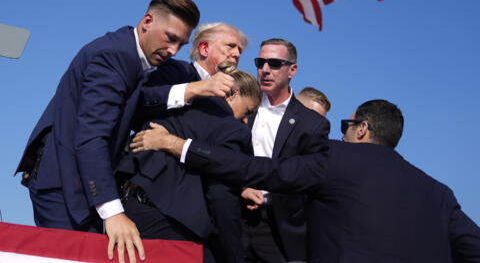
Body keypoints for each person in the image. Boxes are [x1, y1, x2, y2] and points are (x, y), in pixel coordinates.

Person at [138, 99, 480, 262]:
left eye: (348, 124)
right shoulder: (440, 193)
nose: (343, 131)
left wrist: (177, 145)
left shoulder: (333, 160)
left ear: (362, 128)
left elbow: (257, 170)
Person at [14, 0, 211, 263]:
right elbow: (92, 137)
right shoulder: (113, 56)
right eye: (170, 38)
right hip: (63, 185)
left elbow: (138, 99)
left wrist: (190, 90)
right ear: (147, 21)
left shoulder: (130, 55)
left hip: (82, 186)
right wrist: (113, 211)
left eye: (181, 44)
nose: (174, 50)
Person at [119, 61, 261, 263]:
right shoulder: (234, 130)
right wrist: (233, 254)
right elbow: (220, 194)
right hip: (174, 227)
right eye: (248, 111)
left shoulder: (179, 104)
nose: (246, 121)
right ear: (234, 93)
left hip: (128, 209)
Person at [236, 38, 329, 262]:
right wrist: (240, 187)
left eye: (275, 64)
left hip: (279, 230)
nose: (265, 70)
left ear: (292, 70)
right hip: (232, 217)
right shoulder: (239, 107)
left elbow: (310, 178)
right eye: (260, 63)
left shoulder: (312, 124)